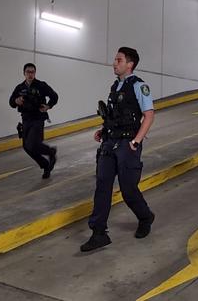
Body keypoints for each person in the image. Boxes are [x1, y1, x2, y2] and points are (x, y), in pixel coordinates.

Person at [80, 47, 156, 252]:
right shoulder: (115, 86)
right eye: (115, 60)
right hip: (109, 142)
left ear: (129, 64)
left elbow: (149, 115)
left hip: (127, 144)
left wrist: (136, 142)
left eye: (118, 60)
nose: (114, 63)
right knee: (102, 186)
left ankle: (145, 217)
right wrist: (103, 130)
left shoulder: (140, 86)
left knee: (128, 189)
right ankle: (98, 233)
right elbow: (114, 115)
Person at [9, 63, 59, 179]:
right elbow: (11, 102)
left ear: (35, 73)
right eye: (28, 72)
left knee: (33, 143)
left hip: (38, 118)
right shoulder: (20, 88)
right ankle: (45, 164)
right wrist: (16, 101)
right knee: (26, 147)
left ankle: (50, 152)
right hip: (26, 119)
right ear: (24, 73)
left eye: (32, 72)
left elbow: (54, 96)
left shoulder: (41, 85)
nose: (30, 74)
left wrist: (48, 106)